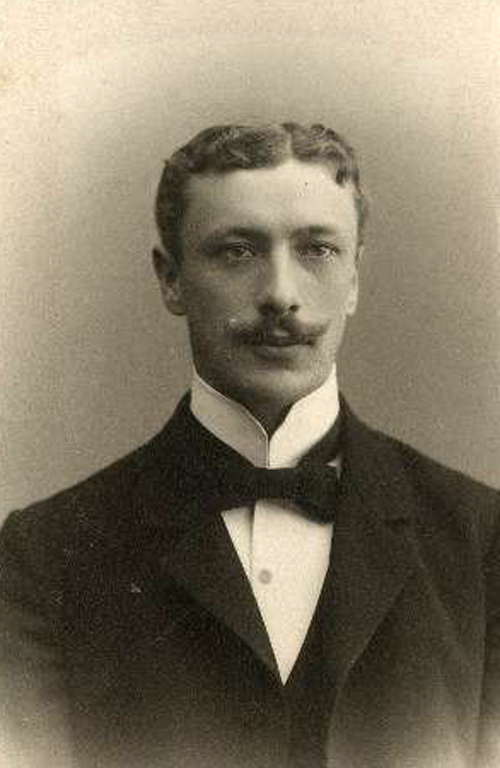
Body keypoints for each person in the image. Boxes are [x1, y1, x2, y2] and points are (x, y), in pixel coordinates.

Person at [1, 122, 499, 768]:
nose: (281, 295)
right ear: (171, 279)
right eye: (237, 252)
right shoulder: (44, 557)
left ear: (354, 278)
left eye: (317, 250)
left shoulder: (481, 540)